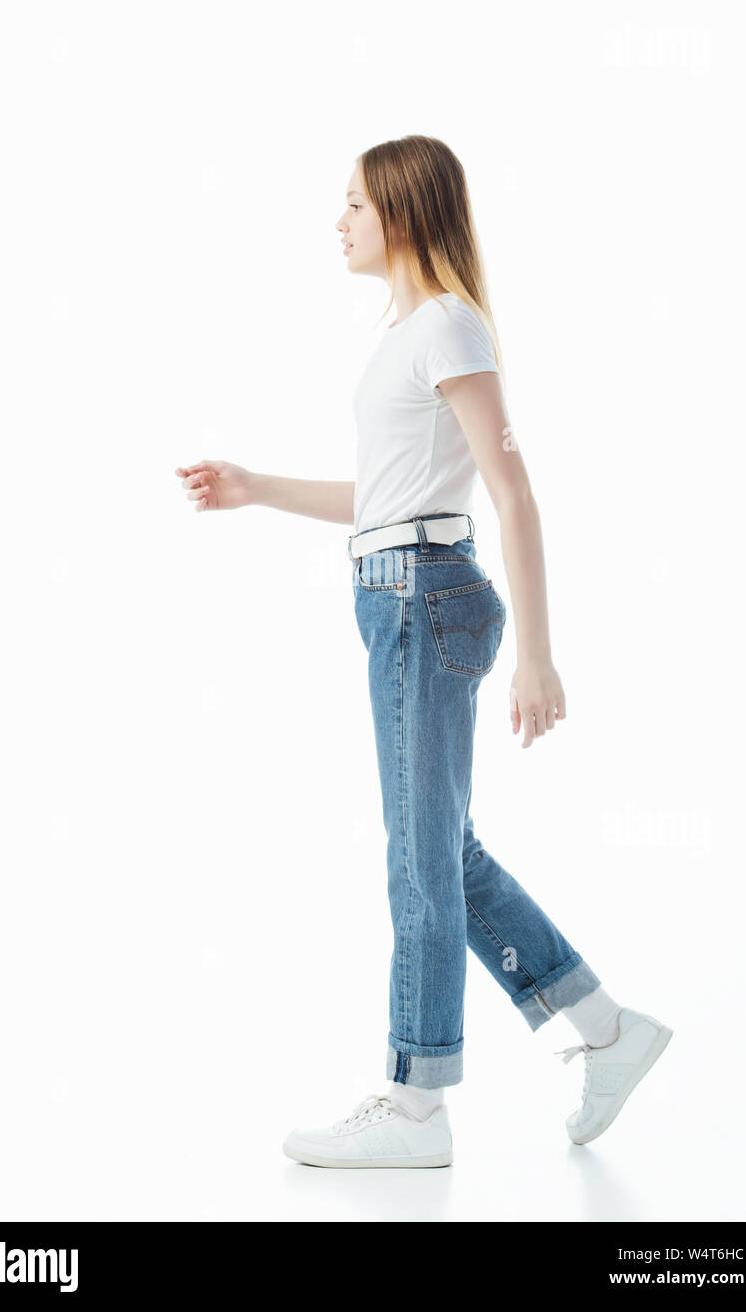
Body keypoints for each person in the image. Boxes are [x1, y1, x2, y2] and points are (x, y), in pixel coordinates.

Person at [175, 135, 673, 1169]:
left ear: (401, 210)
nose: (340, 220)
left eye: (354, 202)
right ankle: (608, 1030)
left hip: (424, 600)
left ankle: (417, 1101)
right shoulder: (411, 332)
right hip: (398, 591)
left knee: (420, 860)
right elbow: (392, 499)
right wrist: (256, 485)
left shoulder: (447, 322)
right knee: (442, 853)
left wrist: (538, 655)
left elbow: (513, 491)